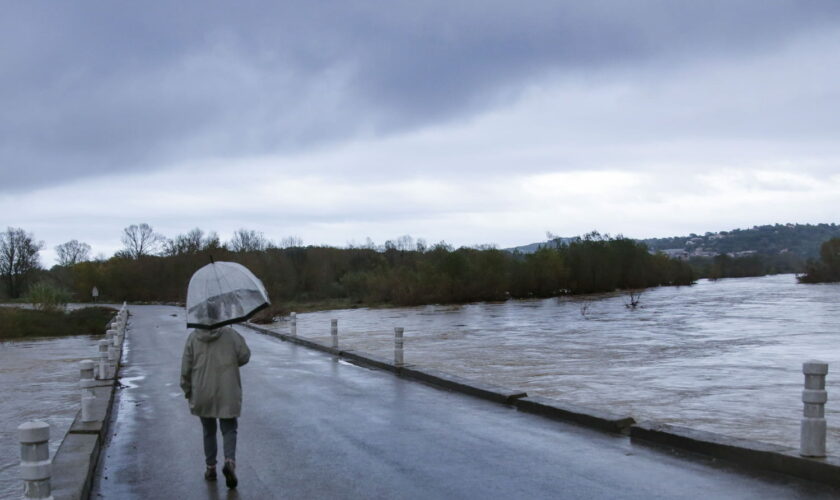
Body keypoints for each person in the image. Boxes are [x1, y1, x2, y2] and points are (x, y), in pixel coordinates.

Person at [180, 325, 251, 488]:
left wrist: (187, 390)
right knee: (229, 428)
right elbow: (245, 356)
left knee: (208, 431)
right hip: (227, 389)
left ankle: (210, 468)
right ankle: (230, 462)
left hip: (202, 392)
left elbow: (186, 369)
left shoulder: (193, 338)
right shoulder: (230, 334)